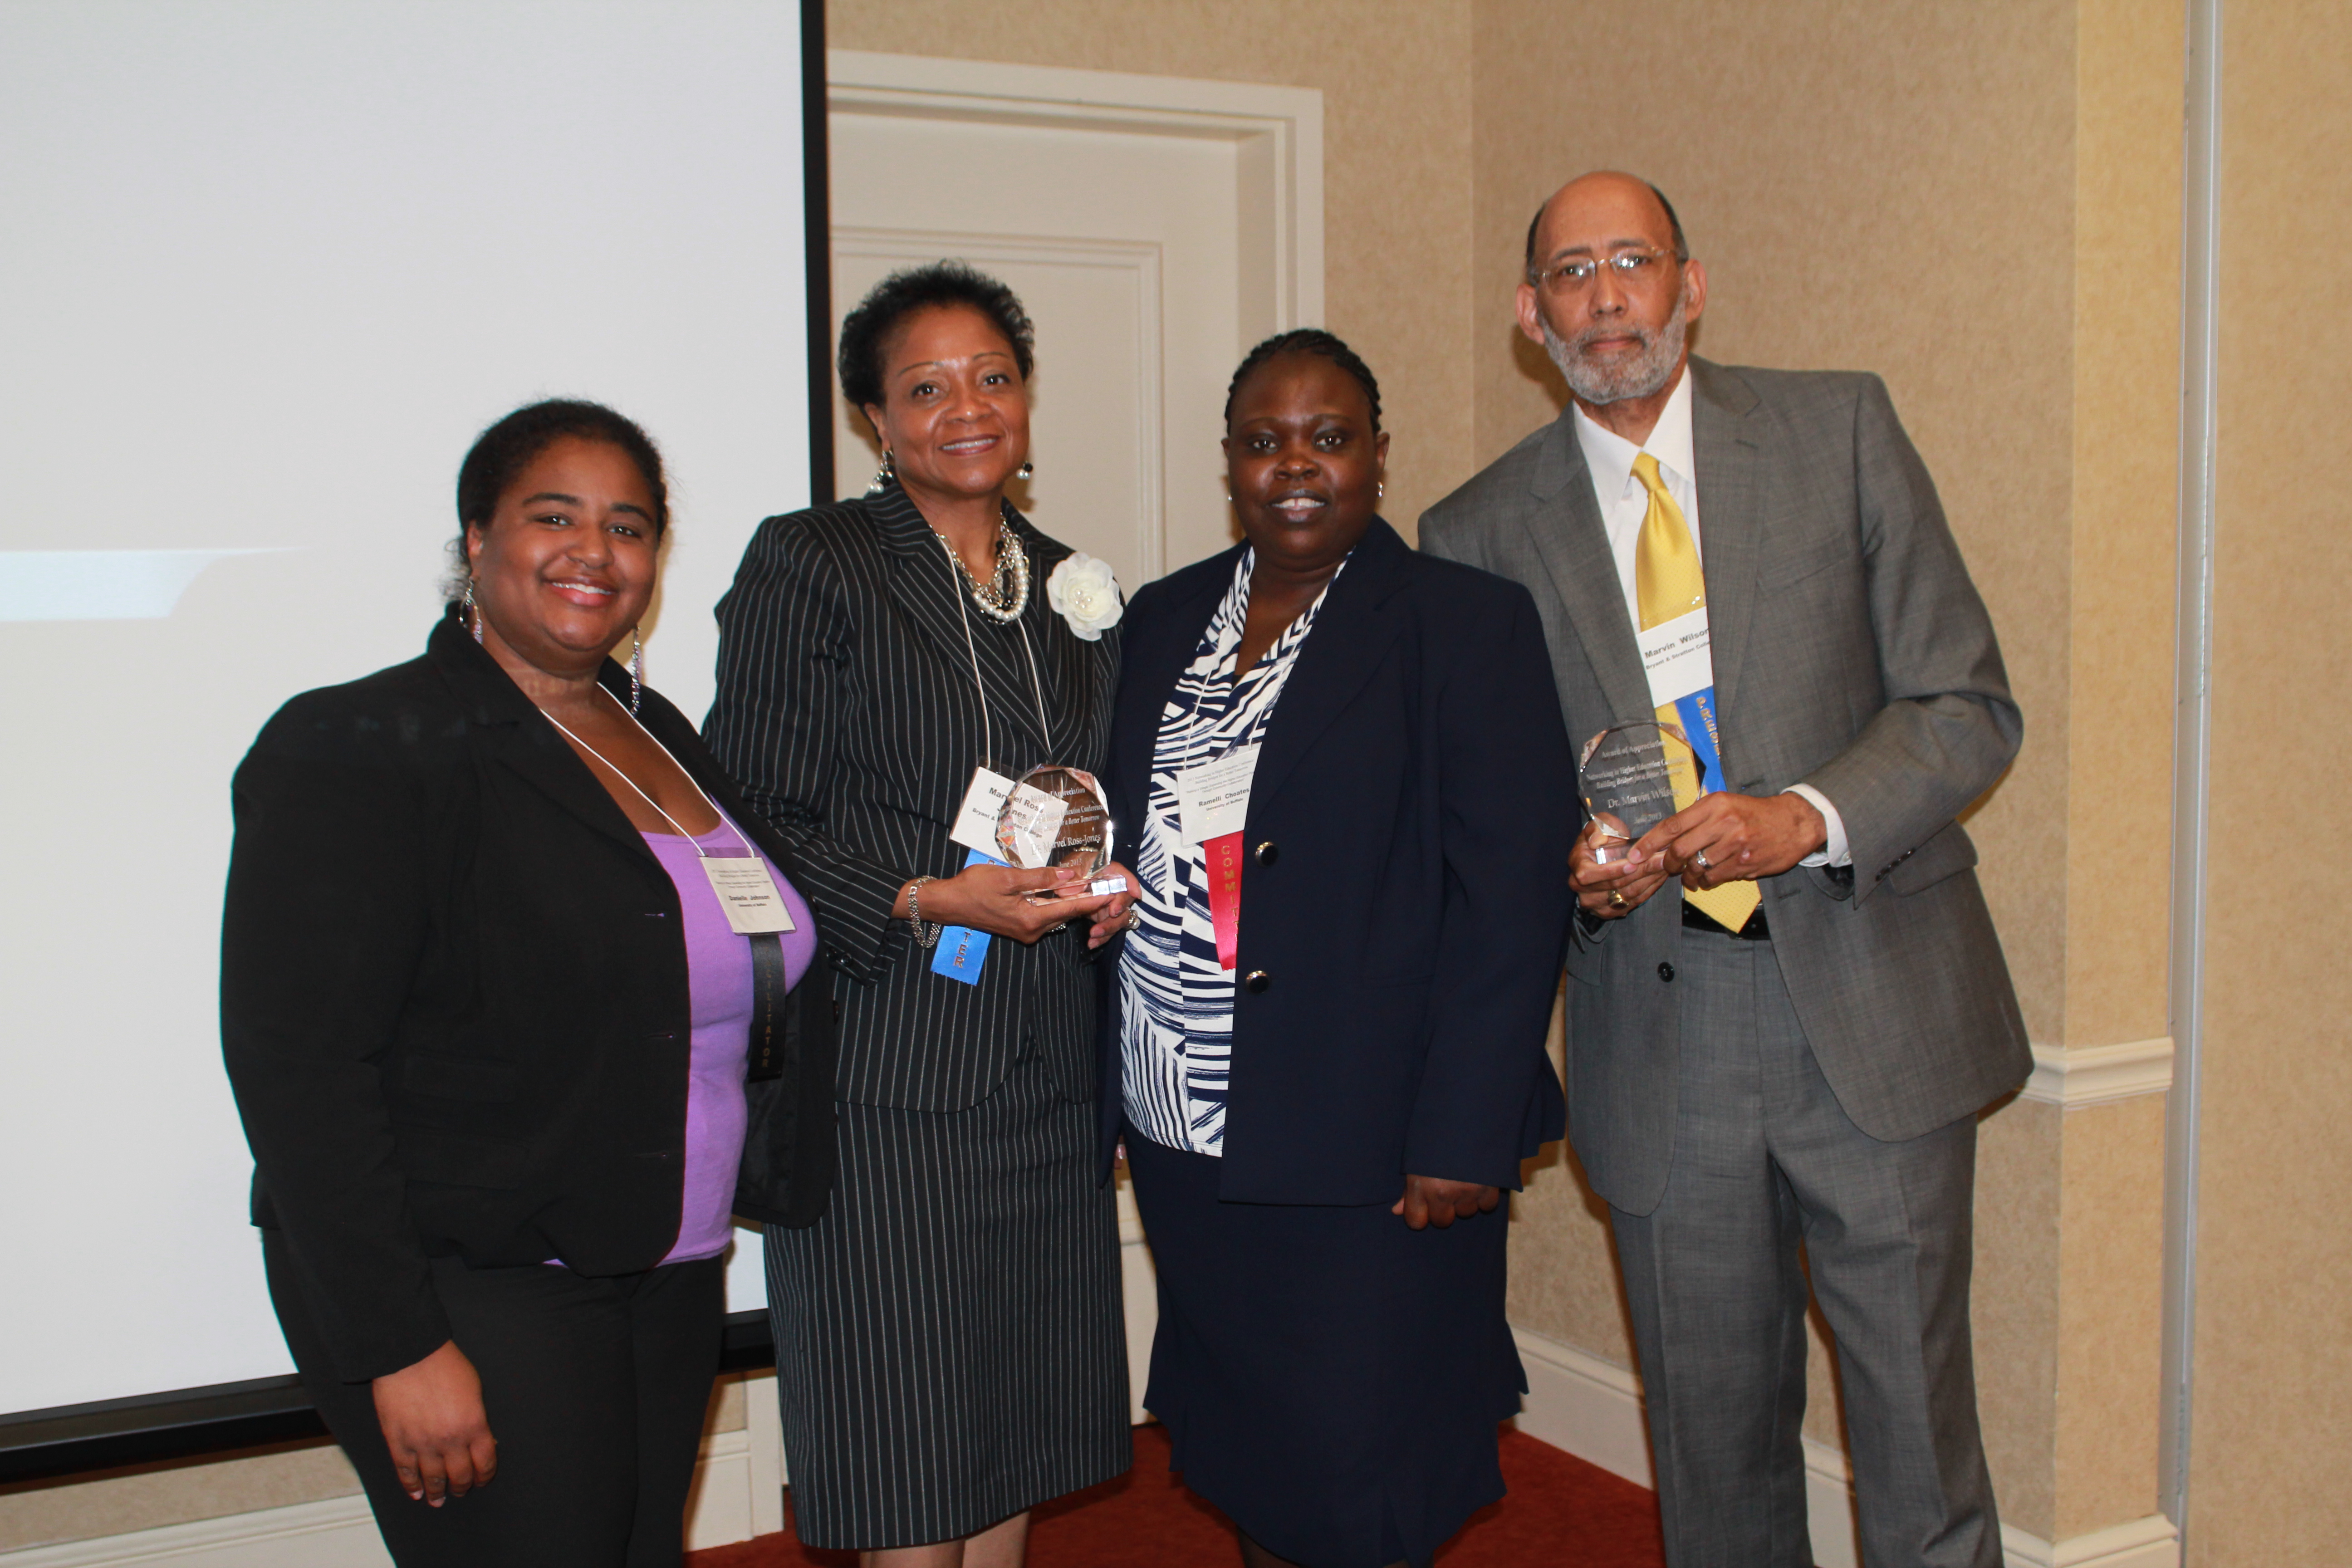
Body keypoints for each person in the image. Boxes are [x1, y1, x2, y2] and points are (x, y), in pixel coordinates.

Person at [1420, 172, 2030, 1568]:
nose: (1606, 297)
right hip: (1661, 1031)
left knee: (1922, 1457)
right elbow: (1491, 813)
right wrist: (1572, 868)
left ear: (1689, 286)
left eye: (1632, 261)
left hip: (1872, 1011)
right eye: (1572, 273)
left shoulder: (1840, 430)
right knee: (1717, 1472)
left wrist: (1807, 816)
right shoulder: (1475, 533)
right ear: (1530, 315)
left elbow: (1965, 704)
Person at [221, 399, 836, 1568]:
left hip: (664, 1263)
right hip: (476, 1281)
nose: (594, 551)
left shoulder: (655, 730)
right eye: (555, 517)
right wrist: (399, 1346)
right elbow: (301, 1070)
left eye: (629, 526)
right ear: (477, 538)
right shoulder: (362, 742)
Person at [1100, 329, 1573, 1568]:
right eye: (1265, 442)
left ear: (1377, 453)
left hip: (1375, 1144)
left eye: (1328, 437)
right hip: (1186, 1123)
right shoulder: (1161, 620)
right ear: (1229, 462)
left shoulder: (1464, 625)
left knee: (1363, 1468)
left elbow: (1510, 898)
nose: (1296, 465)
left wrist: (1463, 1130)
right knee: (1248, 1448)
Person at [705, 262, 1139, 1568]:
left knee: (1018, 1434)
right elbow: (748, 811)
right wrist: (918, 893)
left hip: (1049, 1073)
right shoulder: (816, 561)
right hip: (890, 1074)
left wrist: (1103, 883)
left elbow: (1091, 789)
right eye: (928, 387)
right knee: (908, 1452)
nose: (968, 408)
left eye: (992, 377)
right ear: (876, 420)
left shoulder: (1068, 585)